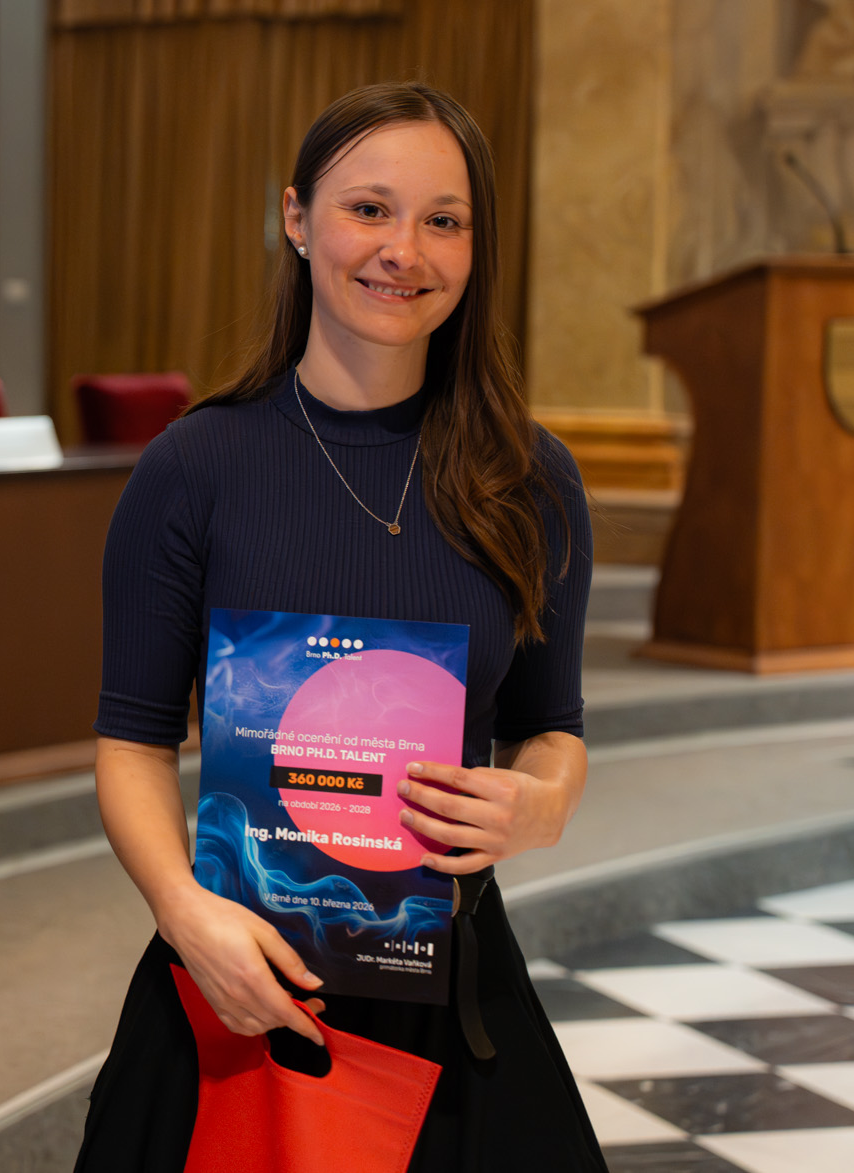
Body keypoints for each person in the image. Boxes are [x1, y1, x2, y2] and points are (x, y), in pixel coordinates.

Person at [75, 82, 603, 1171]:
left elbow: (552, 725)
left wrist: (541, 804)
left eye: (442, 220)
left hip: (450, 986)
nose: (403, 250)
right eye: (368, 209)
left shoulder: (531, 479)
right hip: (238, 970)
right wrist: (182, 912)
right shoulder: (193, 469)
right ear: (296, 218)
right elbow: (131, 739)